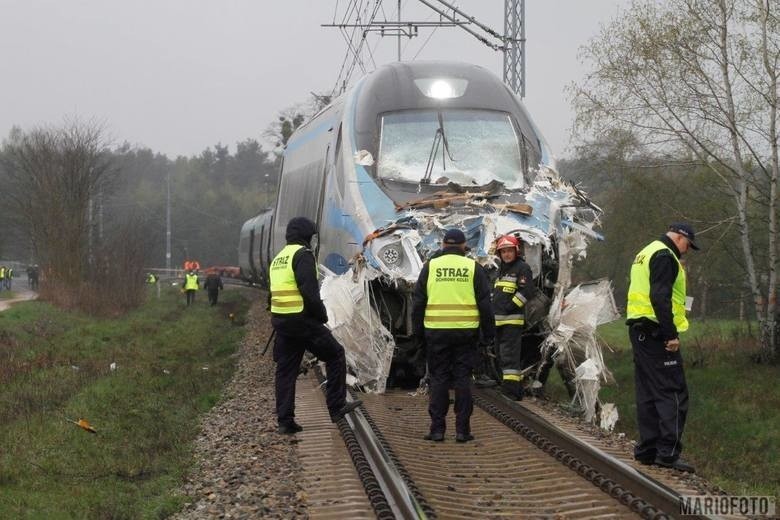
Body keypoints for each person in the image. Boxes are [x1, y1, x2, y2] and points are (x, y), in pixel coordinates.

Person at [269, 216, 361, 434]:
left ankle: (285, 421)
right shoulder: (303, 256)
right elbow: (309, 292)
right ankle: (336, 406)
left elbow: (271, 294)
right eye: (311, 237)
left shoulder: (278, 258)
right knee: (336, 355)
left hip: (282, 322)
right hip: (302, 321)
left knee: (285, 371)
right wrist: (322, 317)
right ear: (306, 237)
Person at [626, 223, 699, 473]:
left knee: (647, 392)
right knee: (674, 392)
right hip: (657, 333)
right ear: (680, 238)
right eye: (687, 245)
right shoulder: (665, 256)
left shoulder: (646, 251)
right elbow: (660, 296)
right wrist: (670, 335)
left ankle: (647, 450)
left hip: (639, 330)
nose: (686, 251)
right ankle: (667, 453)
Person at [412, 228, 495, 443]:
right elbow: (485, 304)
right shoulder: (473, 268)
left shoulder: (430, 267)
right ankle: (462, 431)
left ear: (443, 245)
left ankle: (437, 429)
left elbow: (418, 303)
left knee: (438, 379)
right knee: (463, 379)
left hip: (436, 332)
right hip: (465, 333)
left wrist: (418, 334)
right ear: (463, 245)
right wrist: (489, 334)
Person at [491, 235, 536, 400]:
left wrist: (509, 307)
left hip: (512, 320)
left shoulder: (522, 268)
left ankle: (511, 391)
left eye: (509, 251)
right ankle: (509, 388)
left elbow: (526, 292)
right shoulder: (500, 270)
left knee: (509, 356)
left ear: (516, 251)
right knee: (501, 355)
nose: (506, 254)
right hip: (498, 321)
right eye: (503, 252)